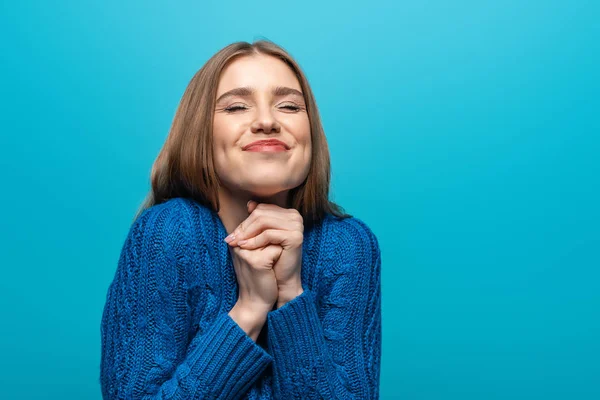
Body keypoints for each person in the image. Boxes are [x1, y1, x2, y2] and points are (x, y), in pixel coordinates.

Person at [99, 39, 382, 399]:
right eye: (236, 107)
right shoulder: (166, 233)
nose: (267, 121)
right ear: (200, 132)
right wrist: (249, 309)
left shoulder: (348, 246)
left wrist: (291, 295)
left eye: (289, 106)